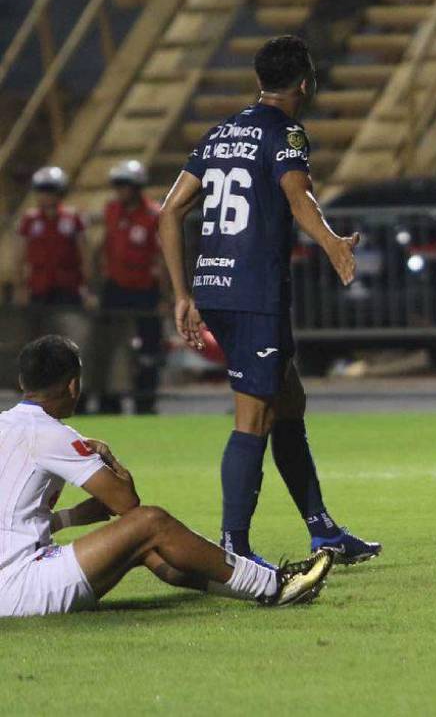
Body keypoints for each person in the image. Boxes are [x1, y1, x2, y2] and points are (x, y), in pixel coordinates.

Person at [158, 34, 380, 566]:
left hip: (215, 285)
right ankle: (233, 547)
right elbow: (297, 194)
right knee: (253, 417)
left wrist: (181, 294)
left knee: (288, 403)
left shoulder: (220, 133)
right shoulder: (288, 133)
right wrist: (333, 245)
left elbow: (169, 211)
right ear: (305, 83)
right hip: (252, 291)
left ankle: (323, 529)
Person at [0, 335, 333, 618]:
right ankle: (274, 586)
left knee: (145, 548)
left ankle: (259, 586)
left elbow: (10, 520)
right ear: (73, 384)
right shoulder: (51, 434)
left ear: (22, 383)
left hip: (9, 583)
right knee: (150, 523)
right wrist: (108, 456)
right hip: (23, 586)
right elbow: (127, 503)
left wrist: (70, 517)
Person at [90, 160, 163, 415]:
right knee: (109, 348)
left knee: (148, 350)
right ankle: (108, 402)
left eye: (125, 185)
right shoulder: (111, 210)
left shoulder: (154, 214)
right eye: (117, 185)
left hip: (145, 289)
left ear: (137, 186)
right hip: (115, 288)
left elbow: (163, 256)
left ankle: (146, 401)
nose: (120, 190)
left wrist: (166, 294)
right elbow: (104, 245)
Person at [18, 166, 89, 309]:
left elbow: (85, 255)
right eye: (42, 190)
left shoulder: (73, 218)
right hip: (38, 287)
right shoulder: (29, 220)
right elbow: (19, 256)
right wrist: (20, 287)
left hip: (68, 287)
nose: (46, 195)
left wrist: (87, 287)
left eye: (50, 190)